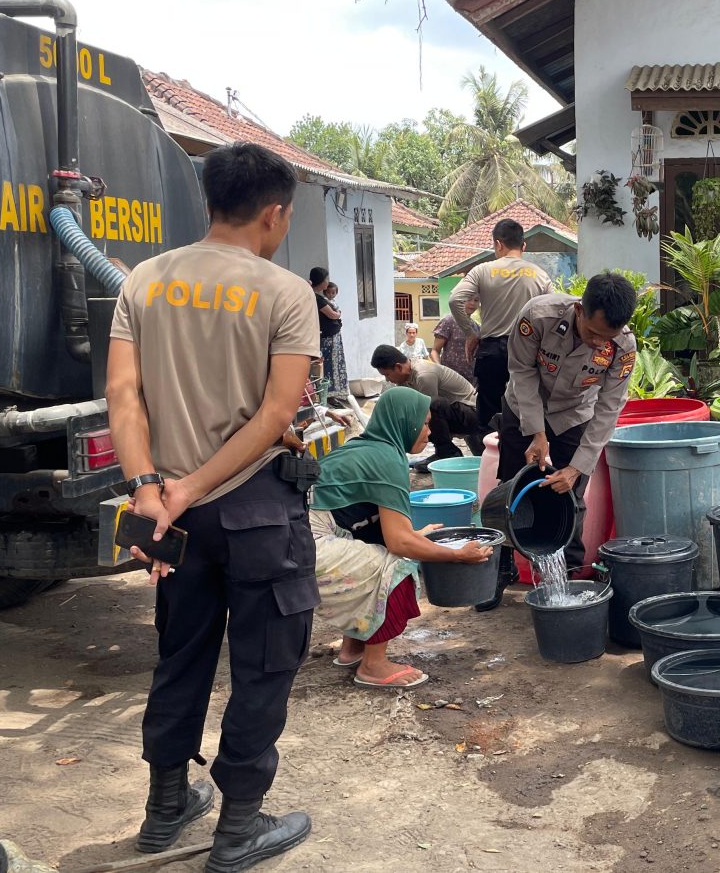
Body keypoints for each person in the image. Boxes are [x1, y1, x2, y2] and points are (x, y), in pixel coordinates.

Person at [107, 142, 318, 870]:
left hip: (170, 513)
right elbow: (276, 414)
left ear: (209, 201)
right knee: (264, 663)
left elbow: (123, 395)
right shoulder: (285, 292)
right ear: (274, 213)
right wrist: (195, 486)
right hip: (254, 505)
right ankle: (238, 830)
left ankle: (165, 807)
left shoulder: (144, 280)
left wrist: (150, 489)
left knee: (182, 652)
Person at [309, 388, 492, 687]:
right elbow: (399, 543)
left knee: (376, 551)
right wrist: (458, 554)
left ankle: (353, 648)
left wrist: (414, 536)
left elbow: (373, 529)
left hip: (299, 539)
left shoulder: (365, 447)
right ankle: (373, 665)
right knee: (398, 568)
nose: (430, 432)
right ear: (404, 421)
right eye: (425, 423)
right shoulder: (386, 458)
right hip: (310, 546)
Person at [477, 273, 638, 612]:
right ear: (579, 310)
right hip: (523, 406)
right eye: (593, 333)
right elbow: (522, 372)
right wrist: (536, 432)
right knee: (510, 489)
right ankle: (501, 569)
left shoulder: (623, 348)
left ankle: (566, 577)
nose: (599, 344)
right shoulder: (538, 316)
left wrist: (577, 468)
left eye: (606, 338)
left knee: (570, 496)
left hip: (574, 415)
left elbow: (609, 408)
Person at [447, 219, 551, 433]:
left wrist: (470, 333)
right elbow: (552, 312)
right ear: (523, 246)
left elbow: (455, 299)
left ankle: (490, 452)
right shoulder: (540, 274)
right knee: (527, 407)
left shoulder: (482, 270)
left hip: (492, 350)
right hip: (527, 350)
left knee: (488, 413)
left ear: (498, 244)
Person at [371, 345, 485, 468]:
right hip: (456, 412)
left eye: (387, 375)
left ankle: (446, 453)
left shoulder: (424, 375)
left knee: (429, 406)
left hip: (472, 414)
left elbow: (425, 413)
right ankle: (443, 451)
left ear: (398, 367)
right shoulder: (405, 378)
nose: (387, 380)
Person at [310, 268, 347, 400]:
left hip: (330, 336)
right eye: (326, 279)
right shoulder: (318, 299)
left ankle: (331, 394)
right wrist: (338, 314)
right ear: (321, 281)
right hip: (327, 338)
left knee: (332, 364)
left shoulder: (319, 297)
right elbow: (332, 315)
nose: (328, 281)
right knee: (329, 365)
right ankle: (329, 394)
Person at [433, 298, 479, 387]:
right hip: (451, 378)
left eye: (476, 300)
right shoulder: (449, 321)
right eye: (468, 299)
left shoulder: (476, 326)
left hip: (471, 379)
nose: (472, 303)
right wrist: (441, 371)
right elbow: (435, 351)